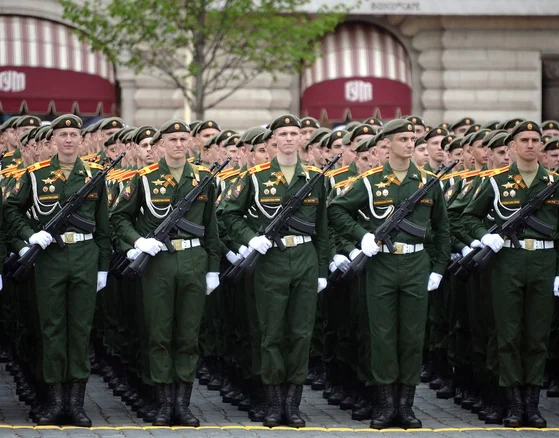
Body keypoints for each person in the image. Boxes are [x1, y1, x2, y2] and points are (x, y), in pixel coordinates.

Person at [328, 118, 450, 430]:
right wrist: (362, 236)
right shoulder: (369, 182)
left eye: (413, 139)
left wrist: (437, 268)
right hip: (381, 265)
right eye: (404, 139)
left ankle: (405, 408)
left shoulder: (428, 182)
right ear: (388, 144)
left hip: (415, 265)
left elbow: (441, 231)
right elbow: (335, 209)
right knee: (381, 336)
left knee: (411, 337)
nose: (410, 144)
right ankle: (384, 406)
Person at [220, 114, 329, 428]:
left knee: (301, 333)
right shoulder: (254, 176)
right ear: (273, 141)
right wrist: (250, 239)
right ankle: (272, 404)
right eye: (283, 134)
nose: (290, 138)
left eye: (295, 133)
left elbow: (322, 228)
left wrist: (321, 269)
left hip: (305, 257)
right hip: (272, 260)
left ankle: (292, 406)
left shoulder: (314, 177)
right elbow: (229, 214)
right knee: (271, 334)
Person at [110, 120, 221, 426]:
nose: (178, 144)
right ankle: (162, 404)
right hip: (157, 264)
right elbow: (119, 218)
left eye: (183, 139)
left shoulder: (203, 178)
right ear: (161, 144)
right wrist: (137, 241)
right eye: (172, 139)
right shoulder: (143, 179)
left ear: (191, 143)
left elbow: (212, 229)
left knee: (187, 335)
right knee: (158, 334)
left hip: (194, 261)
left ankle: (182, 405)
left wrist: (213, 269)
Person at [461, 121, 559, 429]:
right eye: (524, 139)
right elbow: (469, 217)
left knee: (536, 337)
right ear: (512, 146)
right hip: (508, 260)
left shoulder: (555, 182)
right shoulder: (497, 182)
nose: (531, 144)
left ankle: (532, 406)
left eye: (536, 140)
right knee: (508, 335)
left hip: (544, 261)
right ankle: (512, 404)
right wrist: (486, 236)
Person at [4, 114, 112, 427]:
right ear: (53, 140)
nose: (67, 140)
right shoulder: (36, 174)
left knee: (79, 331)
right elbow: (11, 208)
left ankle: (75, 405)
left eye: (73, 134)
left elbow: (104, 226)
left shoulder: (94, 174)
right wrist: (28, 235)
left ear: (80, 140)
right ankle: (52, 403)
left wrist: (103, 267)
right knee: (52, 329)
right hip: (50, 257)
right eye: (62, 134)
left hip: (84, 255)